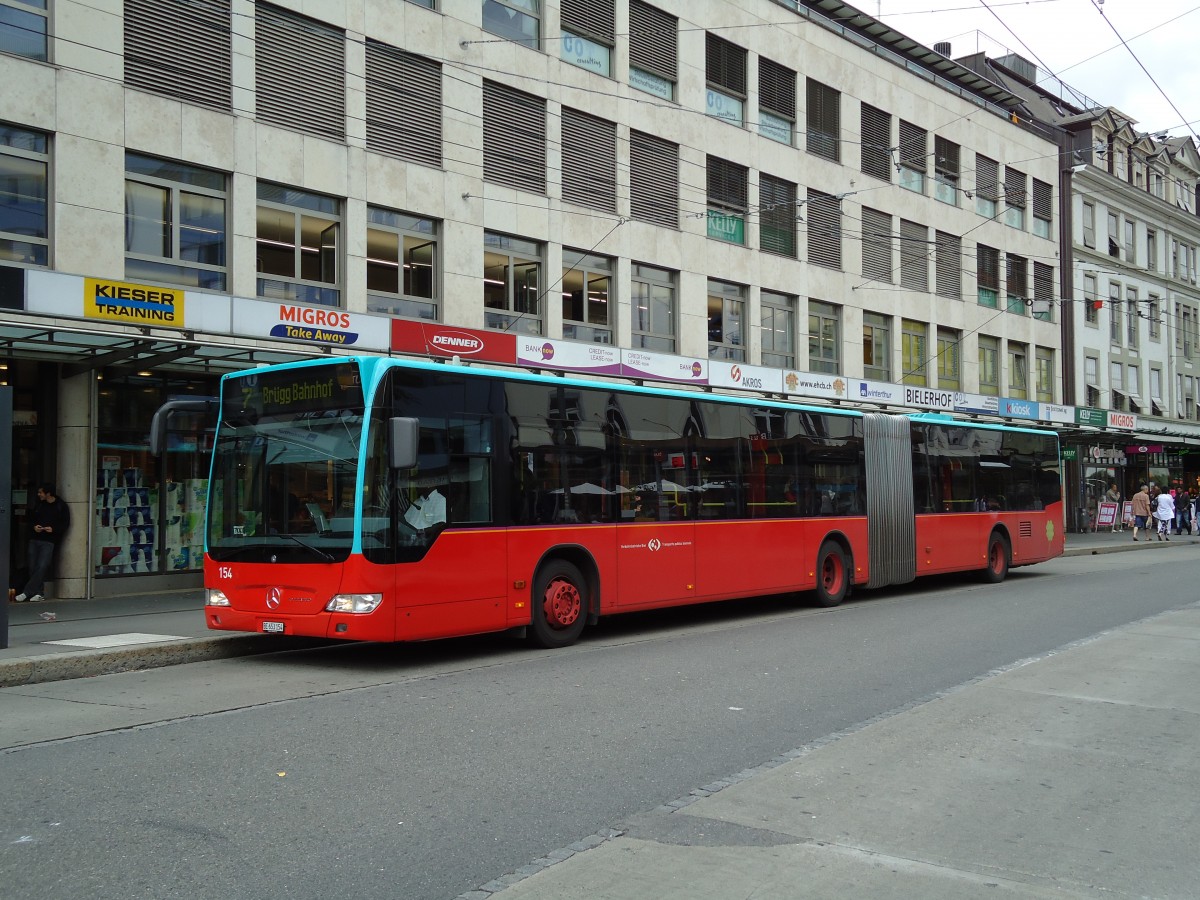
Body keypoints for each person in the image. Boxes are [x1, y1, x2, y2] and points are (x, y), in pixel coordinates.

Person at [13, 482, 70, 603]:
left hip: (49, 541)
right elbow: (31, 519)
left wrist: (53, 529)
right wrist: (34, 527)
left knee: (42, 565)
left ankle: (26, 592)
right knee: (33, 567)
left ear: (48, 493)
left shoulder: (61, 506)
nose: (39, 494)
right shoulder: (39, 505)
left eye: (41, 492)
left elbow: (65, 524)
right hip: (35, 539)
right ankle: (39, 593)